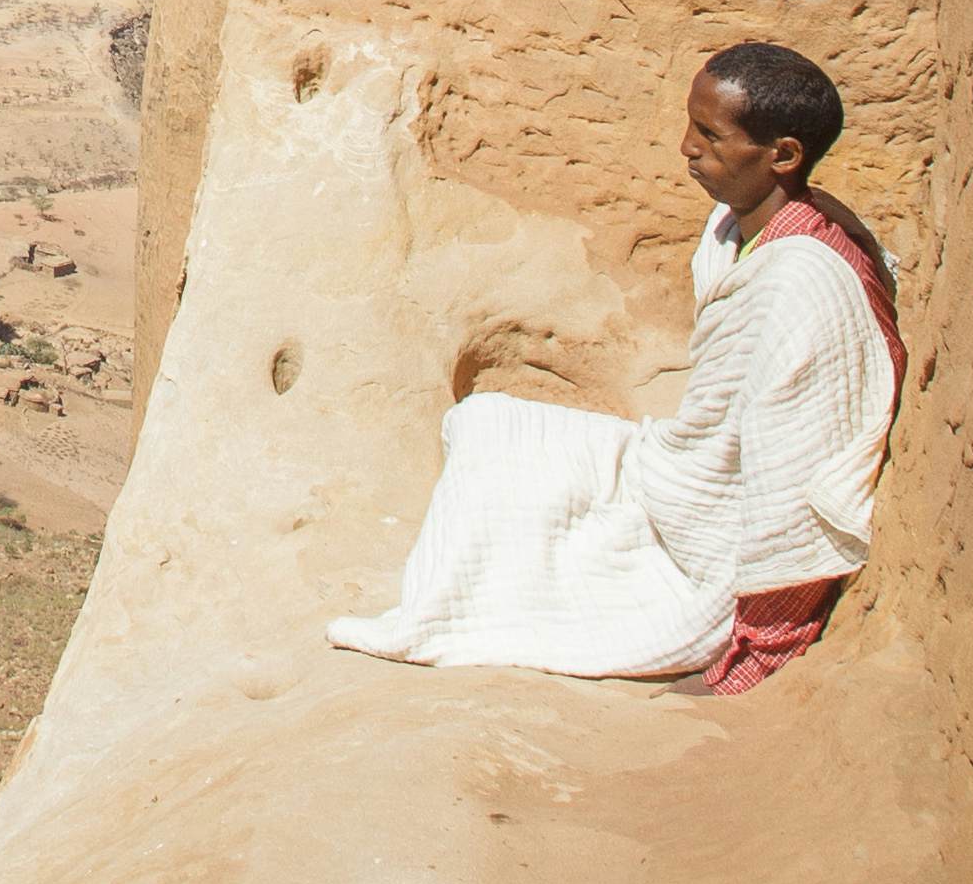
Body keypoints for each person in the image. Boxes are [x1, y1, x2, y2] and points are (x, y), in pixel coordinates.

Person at [327, 41, 904, 697]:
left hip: (717, 532)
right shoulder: (734, 225)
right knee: (489, 425)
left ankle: (445, 616)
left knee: (542, 543)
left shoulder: (805, 283)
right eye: (691, 124)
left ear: (784, 156)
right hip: (686, 472)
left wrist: (762, 641)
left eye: (711, 135)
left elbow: (788, 472)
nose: (688, 147)